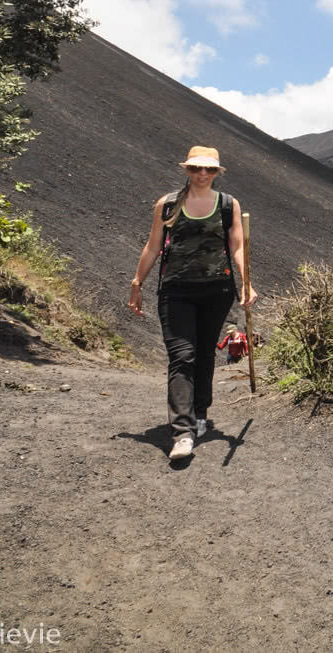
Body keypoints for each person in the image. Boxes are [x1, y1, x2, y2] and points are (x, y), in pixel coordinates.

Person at [128, 146, 258, 461]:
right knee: (182, 356)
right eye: (196, 168)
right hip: (176, 291)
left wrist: (247, 282)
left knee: (203, 354)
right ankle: (182, 432)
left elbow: (237, 246)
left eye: (209, 170)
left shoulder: (228, 205)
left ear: (216, 173)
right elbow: (153, 245)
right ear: (186, 169)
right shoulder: (168, 204)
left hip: (217, 290)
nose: (202, 174)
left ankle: (200, 411)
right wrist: (137, 283)